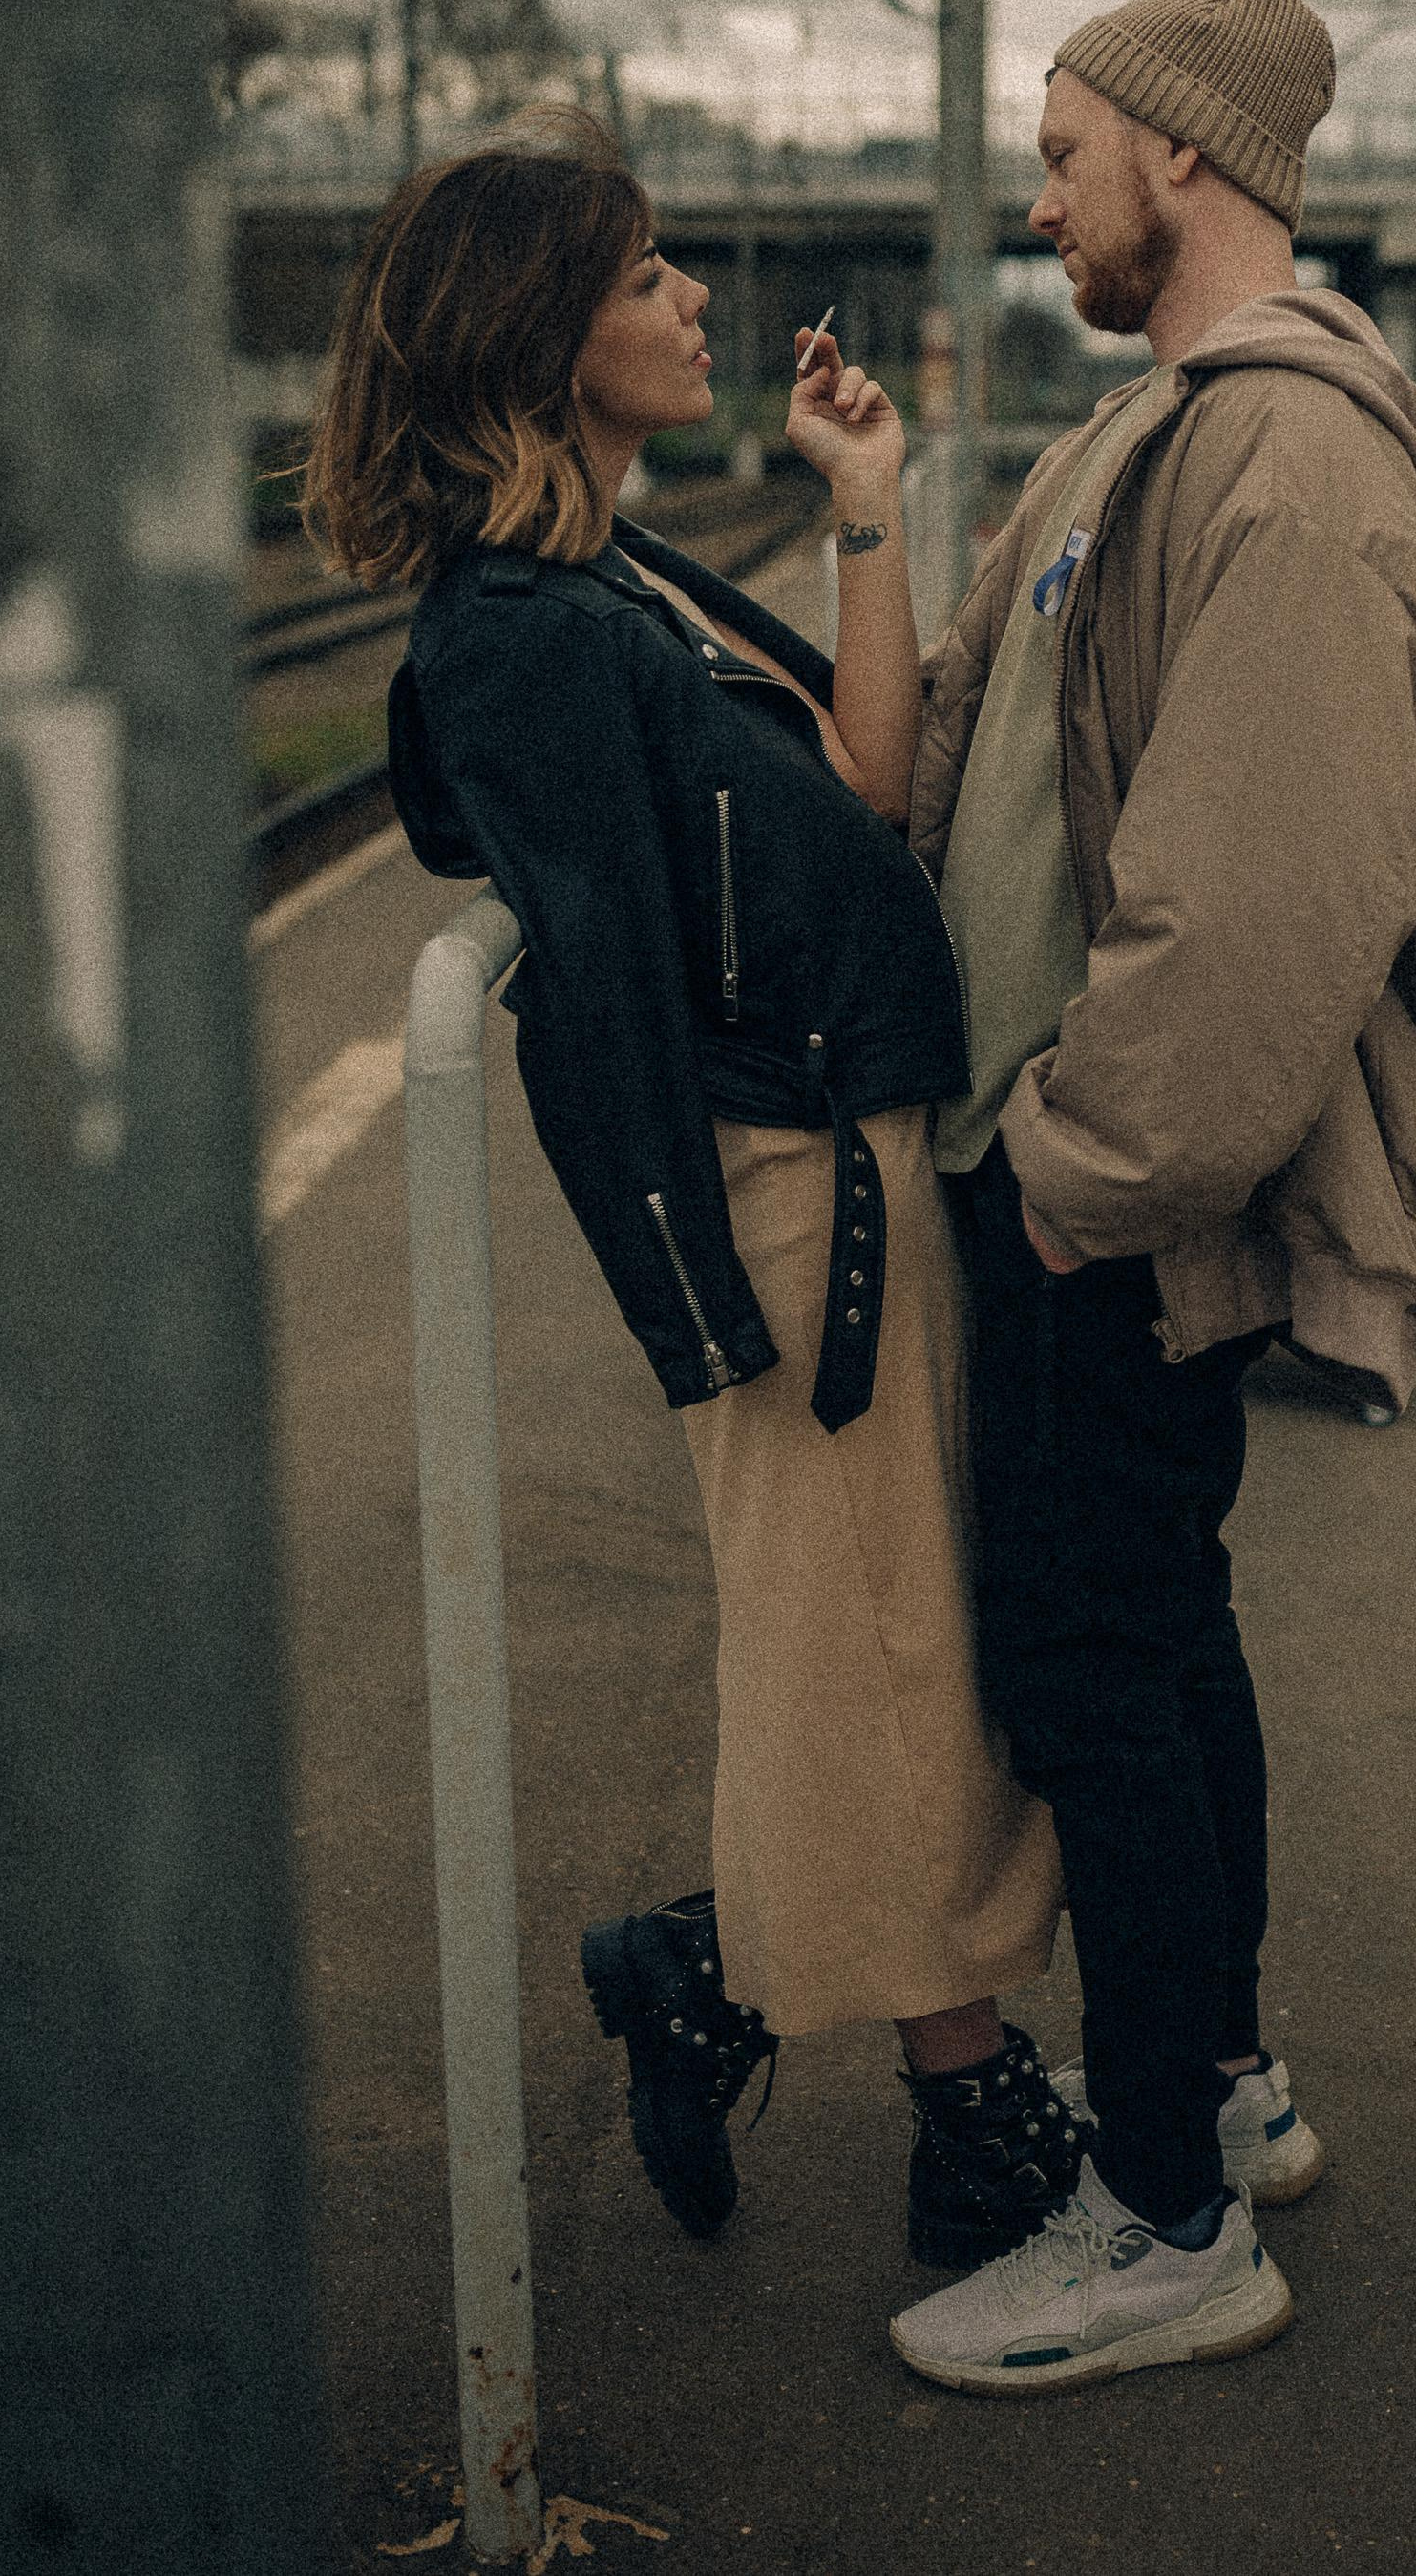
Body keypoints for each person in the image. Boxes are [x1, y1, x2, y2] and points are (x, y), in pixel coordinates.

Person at [301, 112, 1076, 2270]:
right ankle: (973, 2118)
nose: (697, 297)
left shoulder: (608, 581)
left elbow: (865, 783)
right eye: (647, 273)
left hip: (847, 1157)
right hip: (780, 1193)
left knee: (885, 1635)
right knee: (882, 1649)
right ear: (543, 331)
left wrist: (862, 505)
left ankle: (708, 1973)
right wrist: (699, 1311)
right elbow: (608, 1002)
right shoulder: (523, 638)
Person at [888, 0, 1416, 2394]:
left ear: (1186, 153)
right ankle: (1224, 2085)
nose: (1039, 195)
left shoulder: (1291, 458)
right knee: (1157, 1631)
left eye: (1066, 149)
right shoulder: (1146, 433)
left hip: (1110, 1187)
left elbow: (1266, 886)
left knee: (1094, 1663)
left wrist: (1084, 1171)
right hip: (1078, 1167)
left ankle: (1164, 2215)